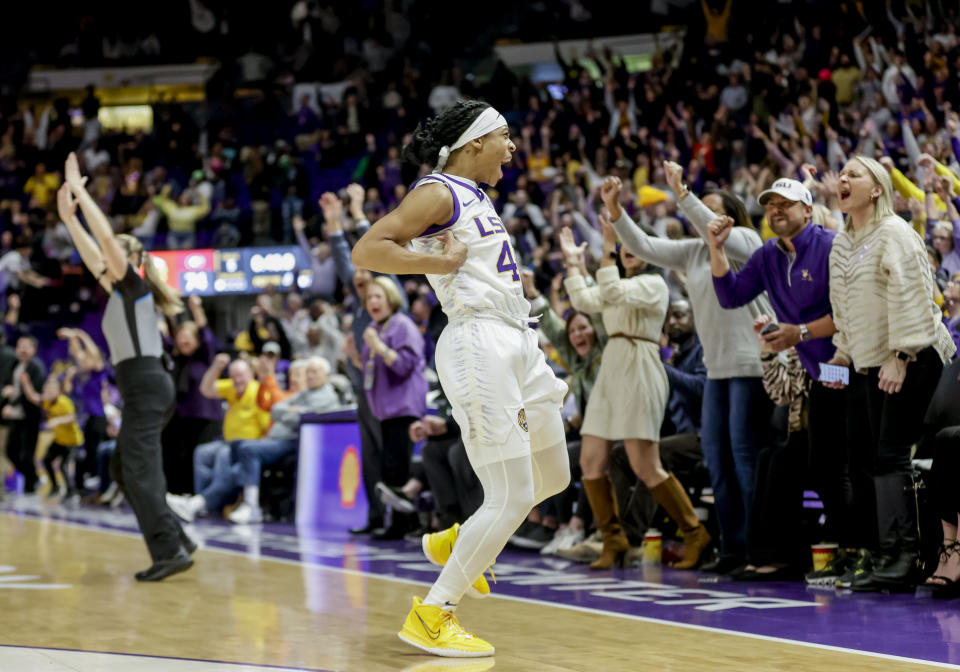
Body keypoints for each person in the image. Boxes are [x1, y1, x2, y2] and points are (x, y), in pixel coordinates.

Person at [352, 100, 570, 657]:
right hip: (479, 341)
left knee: (552, 476)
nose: (513, 147)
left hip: (517, 340)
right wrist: (439, 265)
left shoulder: (475, 197)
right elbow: (369, 248)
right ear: (474, 142)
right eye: (505, 136)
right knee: (513, 493)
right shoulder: (439, 190)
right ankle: (433, 612)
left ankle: (457, 541)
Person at [706, 177, 867, 588]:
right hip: (819, 373)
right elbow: (730, 296)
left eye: (787, 203)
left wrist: (801, 333)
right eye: (771, 204)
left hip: (852, 364)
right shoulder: (767, 255)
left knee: (838, 464)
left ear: (808, 210)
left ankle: (859, 550)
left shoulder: (831, 246)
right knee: (822, 464)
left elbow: (850, 312)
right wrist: (716, 249)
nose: (776, 210)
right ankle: (843, 550)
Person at [610, 161, 770, 573]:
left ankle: (760, 550)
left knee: (744, 458)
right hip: (717, 370)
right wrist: (615, 210)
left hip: (752, 365)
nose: (701, 217)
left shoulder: (749, 243)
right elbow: (644, 246)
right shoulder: (696, 251)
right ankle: (731, 549)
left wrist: (683, 193)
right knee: (717, 460)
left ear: (731, 217)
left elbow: (714, 225)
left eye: (711, 211)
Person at [57, 152, 195, 582]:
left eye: (114, 254)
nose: (105, 260)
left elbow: (108, 246)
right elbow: (93, 253)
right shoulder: (120, 293)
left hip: (146, 383)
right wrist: (69, 220)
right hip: (142, 385)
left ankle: (169, 551)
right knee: (124, 467)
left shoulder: (133, 287)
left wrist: (82, 192)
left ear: (131, 262)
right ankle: (179, 537)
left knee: (138, 470)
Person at [559, 191, 710, 572]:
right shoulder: (620, 283)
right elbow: (584, 300)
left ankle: (694, 533)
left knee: (646, 464)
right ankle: (614, 540)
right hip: (613, 367)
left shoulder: (653, 286)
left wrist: (608, 247)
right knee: (591, 461)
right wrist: (574, 264)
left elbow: (608, 291)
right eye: (623, 245)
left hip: (641, 366)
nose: (627, 251)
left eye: (632, 245)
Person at [827, 156, 955, 591]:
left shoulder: (895, 233)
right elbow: (844, 308)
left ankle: (906, 556)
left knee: (889, 454)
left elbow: (916, 295)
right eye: (841, 174)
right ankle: (881, 551)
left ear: (877, 189)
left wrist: (901, 354)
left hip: (914, 354)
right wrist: (841, 354)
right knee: (860, 457)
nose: (843, 179)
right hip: (867, 362)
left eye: (854, 174)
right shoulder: (842, 243)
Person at [352, 276, 428, 539]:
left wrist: (378, 347)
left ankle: (402, 525)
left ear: (391, 299)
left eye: (378, 296)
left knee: (397, 468)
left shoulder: (402, 325)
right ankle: (400, 522)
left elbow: (404, 365)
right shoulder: (376, 328)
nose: (372, 301)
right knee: (389, 468)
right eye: (369, 297)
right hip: (384, 409)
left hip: (403, 406)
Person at [229, 356, 341, 524]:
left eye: (315, 372)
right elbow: (275, 409)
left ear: (326, 375)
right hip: (278, 439)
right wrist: (292, 410)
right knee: (236, 445)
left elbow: (301, 418)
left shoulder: (327, 395)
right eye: (308, 371)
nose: (310, 376)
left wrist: (291, 413)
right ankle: (239, 494)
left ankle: (251, 505)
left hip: (295, 443)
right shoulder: (305, 393)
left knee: (247, 448)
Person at [22, 374, 84, 498]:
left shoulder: (64, 402)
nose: (48, 393)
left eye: (51, 391)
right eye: (46, 390)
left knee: (63, 465)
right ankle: (55, 487)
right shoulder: (46, 402)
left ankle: (71, 491)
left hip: (72, 441)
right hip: (59, 440)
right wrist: (25, 383)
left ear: (58, 391)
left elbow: (72, 417)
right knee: (46, 459)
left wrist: (57, 421)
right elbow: (33, 396)